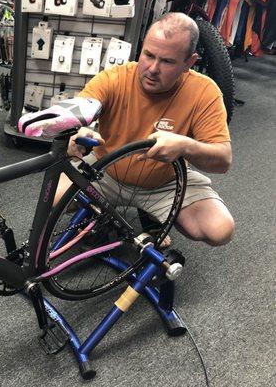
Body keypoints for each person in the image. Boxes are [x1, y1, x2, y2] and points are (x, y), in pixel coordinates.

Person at [20, 13, 235, 247]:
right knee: (53, 197)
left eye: (167, 61)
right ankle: (105, 214)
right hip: (106, 171)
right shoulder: (116, 77)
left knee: (219, 230)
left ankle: (147, 214)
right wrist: (77, 134)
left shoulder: (204, 92)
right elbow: (84, 105)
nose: (152, 68)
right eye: (149, 55)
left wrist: (185, 145)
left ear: (189, 63)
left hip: (164, 183)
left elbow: (223, 160)